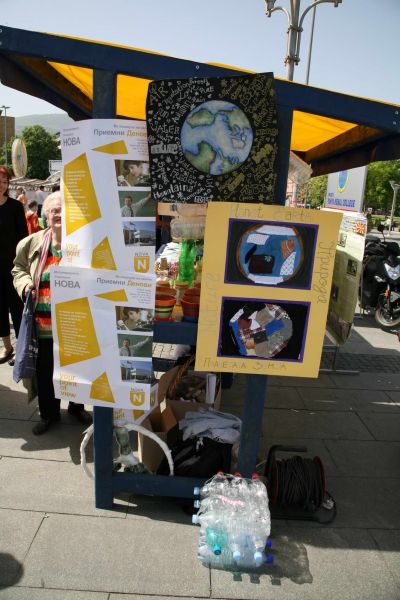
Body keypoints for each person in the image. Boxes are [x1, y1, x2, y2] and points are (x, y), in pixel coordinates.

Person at [12, 191, 92, 435]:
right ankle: (48, 414)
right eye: (54, 210)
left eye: (62, 210)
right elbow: (18, 269)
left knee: (75, 369)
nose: (58, 214)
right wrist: (26, 284)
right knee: (45, 372)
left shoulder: (81, 244)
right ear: (46, 215)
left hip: (73, 323)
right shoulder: (31, 243)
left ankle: (76, 407)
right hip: (43, 324)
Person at [0, 166, 28, 364]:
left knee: (17, 308)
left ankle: (20, 349)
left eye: (5, 182)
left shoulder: (15, 207)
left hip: (13, 267)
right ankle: (7, 347)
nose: (2, 185)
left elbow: (23, 238)